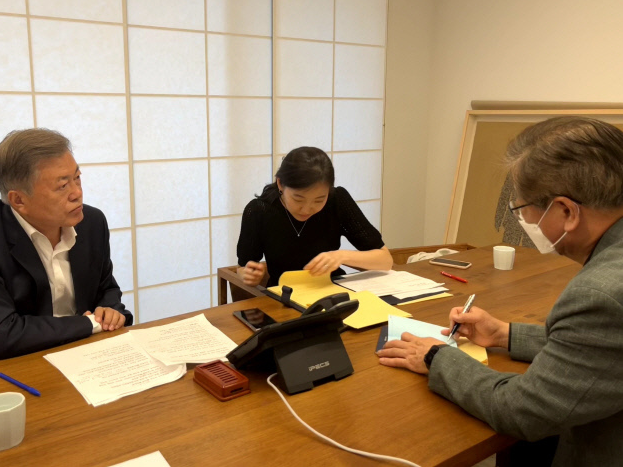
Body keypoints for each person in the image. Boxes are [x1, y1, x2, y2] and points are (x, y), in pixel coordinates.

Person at [377, 116, 623, 466]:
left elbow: (523, 411)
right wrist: (505, 334)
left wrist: (436, 357)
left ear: (567, 211)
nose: (524, 222)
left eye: (522, 210)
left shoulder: (600, 294)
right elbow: (600, 348)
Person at [0, 129, 133, 364]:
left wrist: (109, 311)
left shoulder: (91, 222)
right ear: (19, 200)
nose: (77, 193)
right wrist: (89, 324)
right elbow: (2, 336)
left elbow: (106, 288)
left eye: (77, 177)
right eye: (62, 186)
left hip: (81, 356)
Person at [236, 146, 393, 291]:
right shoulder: (259, 210)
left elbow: (385, 260)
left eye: (319, 200)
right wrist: (249, 275)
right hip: (284, 297)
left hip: (333, 292)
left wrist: (340, 256)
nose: (307, 209)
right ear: (280, 184)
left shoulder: (337, 200)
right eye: (298, 199)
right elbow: (242, 267)